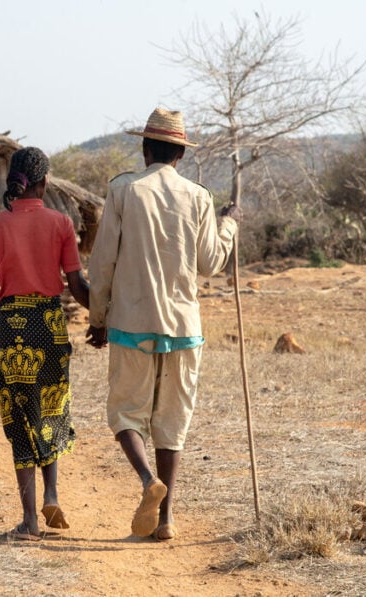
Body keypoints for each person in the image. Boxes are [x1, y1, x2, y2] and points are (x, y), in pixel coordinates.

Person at [86, 107, 240, 541]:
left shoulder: (123, 190)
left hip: (131, 323)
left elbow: (103, 263)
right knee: (172, 422)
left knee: (125, 415)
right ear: (181, 155)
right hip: (184, 327)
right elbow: (211, 262)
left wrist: (98, 318)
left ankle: (147, 480)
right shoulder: (199, 197)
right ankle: (167, 519)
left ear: (145, 148)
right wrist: (229, 225)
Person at [0, 147, 91, 541]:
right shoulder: (61, 223)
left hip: (12, 326)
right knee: (51, 408)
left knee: (20, 418)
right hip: (50, 325)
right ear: (45, 182)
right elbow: (77, 284)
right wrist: (103, 317)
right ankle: (51, 492)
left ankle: (29, 521)